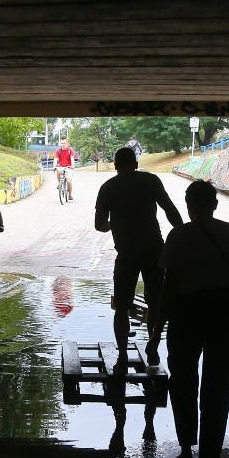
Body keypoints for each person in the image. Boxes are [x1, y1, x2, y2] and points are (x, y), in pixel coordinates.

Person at [145, 180, 229, 458]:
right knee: (218, 386)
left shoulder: (179, 236)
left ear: (189, 204)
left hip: (187, 313)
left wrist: (155, 333)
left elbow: (169, 288)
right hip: (226, 311)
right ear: (215, 204)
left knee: (183, 381)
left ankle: (185, 450)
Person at [95, 147, 184, 373]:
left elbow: (99, 225)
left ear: (115, 165)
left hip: (126, 253)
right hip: (154, 250)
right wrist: (185, 235)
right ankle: (152, 346)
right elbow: (170, 211)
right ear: (135, 164)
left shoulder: (108, 188)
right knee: (155, 302)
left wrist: (113, 225)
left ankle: (123, 354)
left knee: (122, 307)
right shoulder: (151, 181)